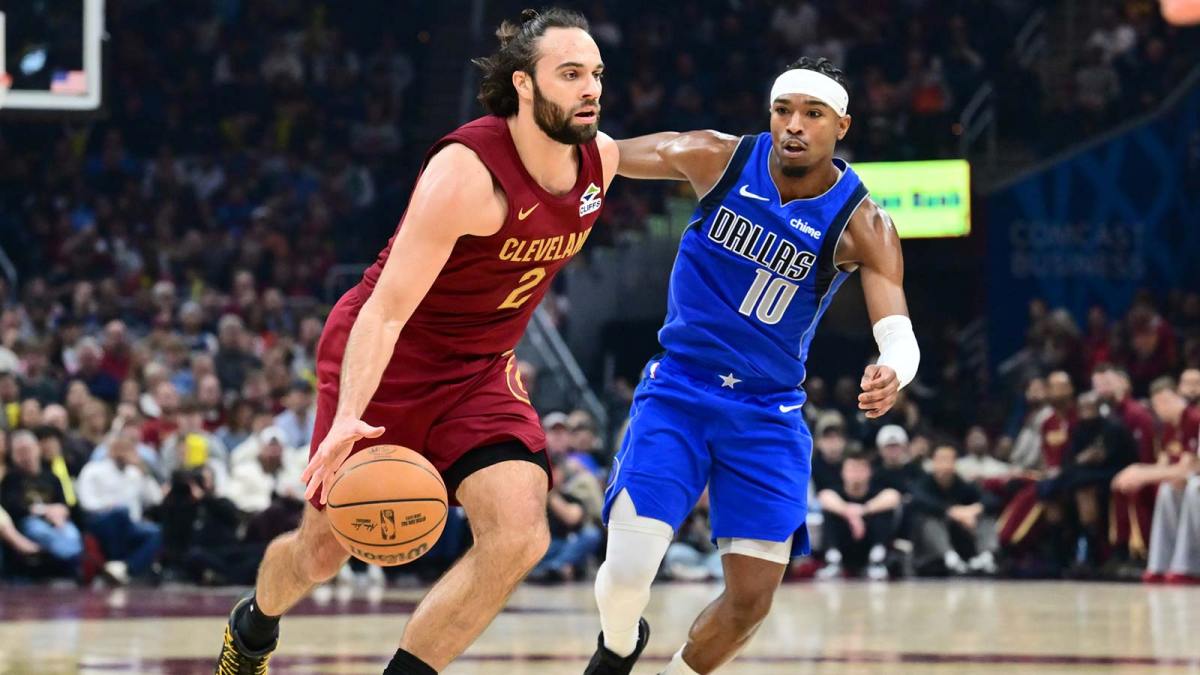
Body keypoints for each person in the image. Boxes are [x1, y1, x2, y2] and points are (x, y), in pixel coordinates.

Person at [215, 8, 619, 674]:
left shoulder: (597, 159)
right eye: (571, 73)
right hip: (391, 355)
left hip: (481, 369)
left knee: (520, 533)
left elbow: (667, 152)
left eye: (596, 74)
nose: (591, 89)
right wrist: (350, 415)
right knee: (322, 551)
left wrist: (754, 156)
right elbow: (384, 312)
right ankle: (253, 624)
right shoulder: (465, 174)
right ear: (524, 83)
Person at [588, 57, 919, 675]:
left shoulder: (863, 223)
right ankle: (616, 644)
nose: (793, 125)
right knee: (628, 572)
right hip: (680, 391)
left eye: (812, 114)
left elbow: (898, 332)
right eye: (782, 110)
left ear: (841, 126)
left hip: (768, 412)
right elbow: (604, 154)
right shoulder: (720, 158)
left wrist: (894, 369)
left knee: (750, 604)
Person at [911, 444, 997, 576]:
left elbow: (990, 499)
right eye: (941, 460)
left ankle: (986, 557)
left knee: (986, 516)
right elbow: (920, 500)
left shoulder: (962, 484)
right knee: (928, 520)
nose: (945, 465)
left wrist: (973, 510)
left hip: (961, 538)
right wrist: (952, 512)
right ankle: (951, 559)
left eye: (948, 460)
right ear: (933, 462)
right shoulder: (924, 483)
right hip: (930, 549)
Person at [815, 450, 901, 581]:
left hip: (868, 544)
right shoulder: (835, 491)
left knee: (882, 511)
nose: (856, 474)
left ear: (869, 472)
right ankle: (833, 561)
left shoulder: (877, 491)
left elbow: (893, 496)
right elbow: (824, 497)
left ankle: (877, 561)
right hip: (844, 545)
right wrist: (849, 513)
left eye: (860, 469)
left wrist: (863, 510)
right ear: (843, 472)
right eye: (851, 469)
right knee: (831, 512)